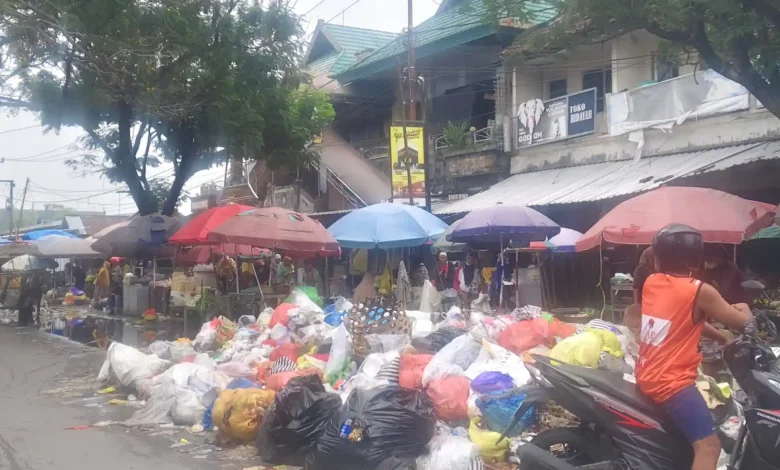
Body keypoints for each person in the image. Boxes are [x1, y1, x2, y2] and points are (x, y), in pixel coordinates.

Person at [636, 224, 753, 470]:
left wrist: (722, 338)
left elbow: (689, 320)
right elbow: (742, 322)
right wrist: (743, 305)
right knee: (710, 447)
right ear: (695, 256)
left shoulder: (652, 282)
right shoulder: (699, 291)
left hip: (648, 373)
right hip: (671, 384)